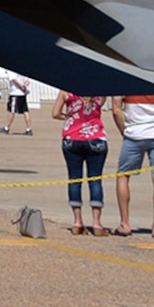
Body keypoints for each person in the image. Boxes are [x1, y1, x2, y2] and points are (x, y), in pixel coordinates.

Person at [111, 91, 154, 237]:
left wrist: (124, 131)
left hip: (134, 133)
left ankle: (125, 223)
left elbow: (116, 111)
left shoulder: (124, 83)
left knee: (123, 176)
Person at [53, 91, 109, 236]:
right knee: (95, 179)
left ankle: (77, 221)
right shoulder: (99, 92)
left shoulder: (66, 92)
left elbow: (55, 113)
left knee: (75, 179)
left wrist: (69, 117)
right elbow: (100, 106)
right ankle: (96, 223)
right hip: (95, 136)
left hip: (72, 136)